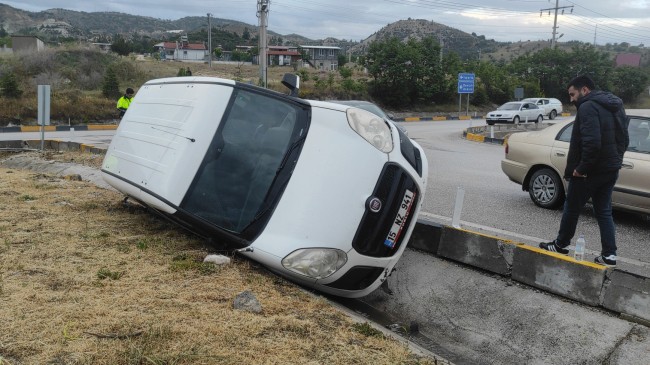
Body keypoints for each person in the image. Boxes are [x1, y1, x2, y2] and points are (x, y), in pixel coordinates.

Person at [539, 75, 629, 267]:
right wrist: (616, 160)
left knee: (571, 207)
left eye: (572, 94)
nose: (571, 99)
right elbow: (624, 138)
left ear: (584, 90)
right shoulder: (616, 105)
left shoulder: (588, 107)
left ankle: (561, 245)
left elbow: (592, 143)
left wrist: (581, 169)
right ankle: (609, 256)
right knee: (604, 211)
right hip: (610, 168)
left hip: (590, 171)